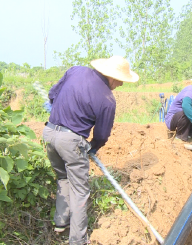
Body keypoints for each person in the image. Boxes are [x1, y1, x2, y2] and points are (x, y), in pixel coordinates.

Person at [42, 56, 139, 245]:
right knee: (80, 190)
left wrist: (61, 110)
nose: (120, 85)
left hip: (49, 132)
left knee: (63, 177)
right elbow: (102, 135)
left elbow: (53, 94)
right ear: (112, 76)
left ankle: (61, 222)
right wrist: (91, 148)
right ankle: (78, 240)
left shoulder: (75, 70)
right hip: (71, 141)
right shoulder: (107, 100)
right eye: (120, 80)